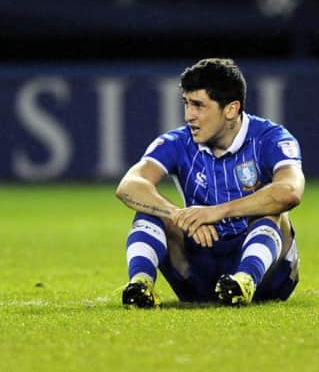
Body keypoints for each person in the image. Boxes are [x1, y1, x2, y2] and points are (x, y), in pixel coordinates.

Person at [115, 58, 304, 307]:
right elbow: (128, 185)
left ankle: (245, 280)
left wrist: (216, 212)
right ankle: (140, 285)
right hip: (199, 272)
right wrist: (181, 215)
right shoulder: (178, 142)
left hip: (269, 279)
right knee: (150, 211)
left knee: (273, 213)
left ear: (231, 109)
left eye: (199, 106)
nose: (189, 116)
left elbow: (290, 192)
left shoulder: (270, 138)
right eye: (186, 104)